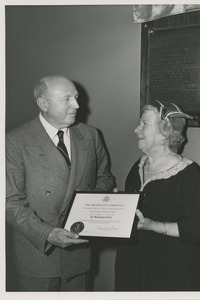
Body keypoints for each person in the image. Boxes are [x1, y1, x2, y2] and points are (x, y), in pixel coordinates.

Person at [6, 75, 114, 291]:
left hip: (79, 253)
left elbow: (105, 178)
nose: (77, 105)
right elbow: (9, 202)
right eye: (67, 99)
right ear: (43, 104)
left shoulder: (90, 135)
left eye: (76, 97)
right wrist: (47, 233)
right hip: (38, 255)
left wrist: (93, 209)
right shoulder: (15, 141)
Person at [115, 100, 200, 291]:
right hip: (132, 265)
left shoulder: (188, 172)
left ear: (165, 132)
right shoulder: (138, 166)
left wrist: (154, 226)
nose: (137, 129)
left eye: (144, 124)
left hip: (173, 269)